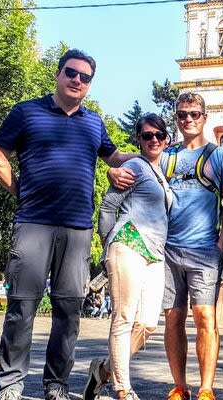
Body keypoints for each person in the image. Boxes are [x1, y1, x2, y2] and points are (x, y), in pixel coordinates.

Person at [0, 49, 136, 400]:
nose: (77, 80)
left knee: (69, 311)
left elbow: (113, 157)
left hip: (77, 229)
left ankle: (56, 384)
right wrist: (21, 192)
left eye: (85, 77)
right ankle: (11, 384)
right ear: (58, 73)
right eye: (71, 73)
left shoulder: (94, 122)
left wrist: (151, 150)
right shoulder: (26, 112)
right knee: (22, 307)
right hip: (33, 224)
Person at [83, 113, 172, 400]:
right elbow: (108, 206)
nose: (154, 140)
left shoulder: (161, 171)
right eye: (147, 135)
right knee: (123, 316)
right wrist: (108, 242)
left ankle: (103, 371)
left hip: (156, 252)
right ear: (139, 139)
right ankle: (123, 388)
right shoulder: (134, 165)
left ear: (166, 138)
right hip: (128, 242)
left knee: (147, 323)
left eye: (159, 135)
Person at [161, 92, 223, 400]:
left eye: (194, 114)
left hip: (204, 249)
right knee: (173, 318)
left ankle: (206, 388)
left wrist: (221, 244)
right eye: (182, 115)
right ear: (176, 119)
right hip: (168, 250)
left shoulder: (221, 156)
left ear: (204, 118)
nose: (188, 120)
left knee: (205, 317)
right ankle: (179, 386)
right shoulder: (167, 156)